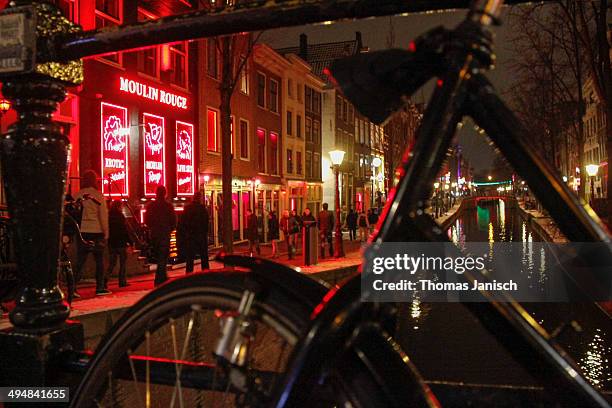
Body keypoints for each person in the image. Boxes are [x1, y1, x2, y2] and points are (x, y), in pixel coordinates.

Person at [74, 169, 110, 296]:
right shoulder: (98, 195)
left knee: (80, 261)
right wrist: (106, 232)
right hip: (97, 230)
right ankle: (100, 287)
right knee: (99, 261)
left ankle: (72, 287)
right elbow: (103, 216)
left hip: (82, 231)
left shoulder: (77, 195)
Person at [145, 185, 176, 286]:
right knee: (163, 257)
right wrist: (170, 228)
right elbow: (173, 220)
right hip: (164, 233)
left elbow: (147, 220)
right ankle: (160, 279)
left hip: (154, 233)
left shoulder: (150, 206)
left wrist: (151, 228)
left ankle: (161, 278)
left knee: (159, 256)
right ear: (165, 194)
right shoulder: (168, 206)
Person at [178, 191, 210, 273]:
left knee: (190, 258)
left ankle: (189, 275)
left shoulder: (187, 208)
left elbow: (182, 223)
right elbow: (206, 222)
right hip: (201, 236)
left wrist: (186, 234)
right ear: (200, 198)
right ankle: (206, 275)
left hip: (191, 236)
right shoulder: (203, 208)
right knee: (204, 257)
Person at [107, 200, 132, 288]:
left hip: (112, 242)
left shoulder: (108, 216)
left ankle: (104, 281)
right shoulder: (121, 216)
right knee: (123, 264)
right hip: (121, 242)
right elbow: (124, 230)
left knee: (111, 263)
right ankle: (122, 281)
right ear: (119, 206)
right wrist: (130, 242)